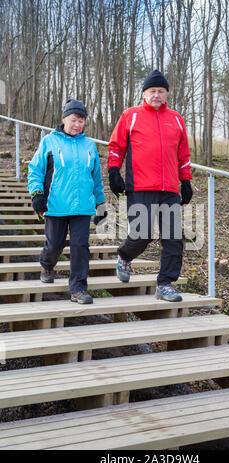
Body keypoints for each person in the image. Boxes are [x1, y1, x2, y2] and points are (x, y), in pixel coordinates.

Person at [107, 70, 193, 302]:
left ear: (166, 94)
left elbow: (183, 155)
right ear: (144, 93)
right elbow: (116, 146)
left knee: (174, 238)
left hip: (169, 190)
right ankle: (125, 255)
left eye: (161, 91)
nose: (157, 95)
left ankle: (165, 283)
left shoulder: (176, 119)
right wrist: (114, 171)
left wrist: (186, 180)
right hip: (141, 186)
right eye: (152, 91)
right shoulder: (130, 115)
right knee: (141, 234)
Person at [27, 98, 106, 304]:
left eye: (81, 121)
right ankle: (46, 264)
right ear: (64, 119)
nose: (77, 124)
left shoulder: (89, 145)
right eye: (74, 120)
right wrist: (37, 194)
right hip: (55, 205)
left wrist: (101, 204)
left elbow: (96, 177)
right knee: (55, 244)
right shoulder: (49, 141)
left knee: (81, 245)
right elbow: (35, 170)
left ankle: (78, 288)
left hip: (83, 207)